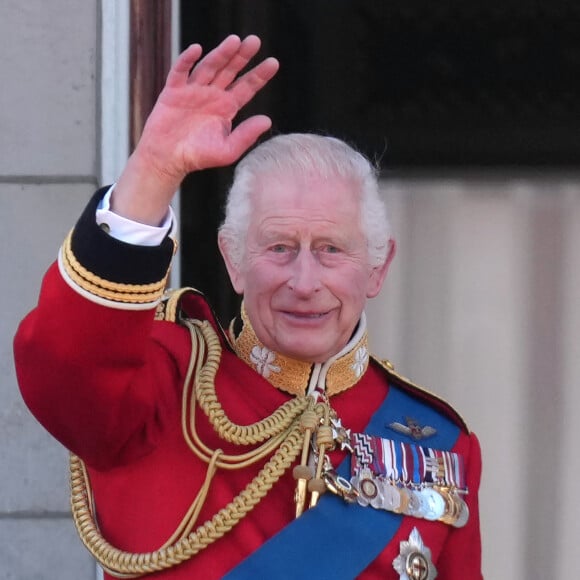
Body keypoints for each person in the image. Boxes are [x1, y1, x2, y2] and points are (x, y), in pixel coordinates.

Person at [13, 35, 482, 579]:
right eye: (279, 248)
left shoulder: (439, 445)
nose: (304, 282)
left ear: (378, 267)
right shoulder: (163, 387)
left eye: (331, 250)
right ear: (233, 260)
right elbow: (63, 364)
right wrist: (154, 174)